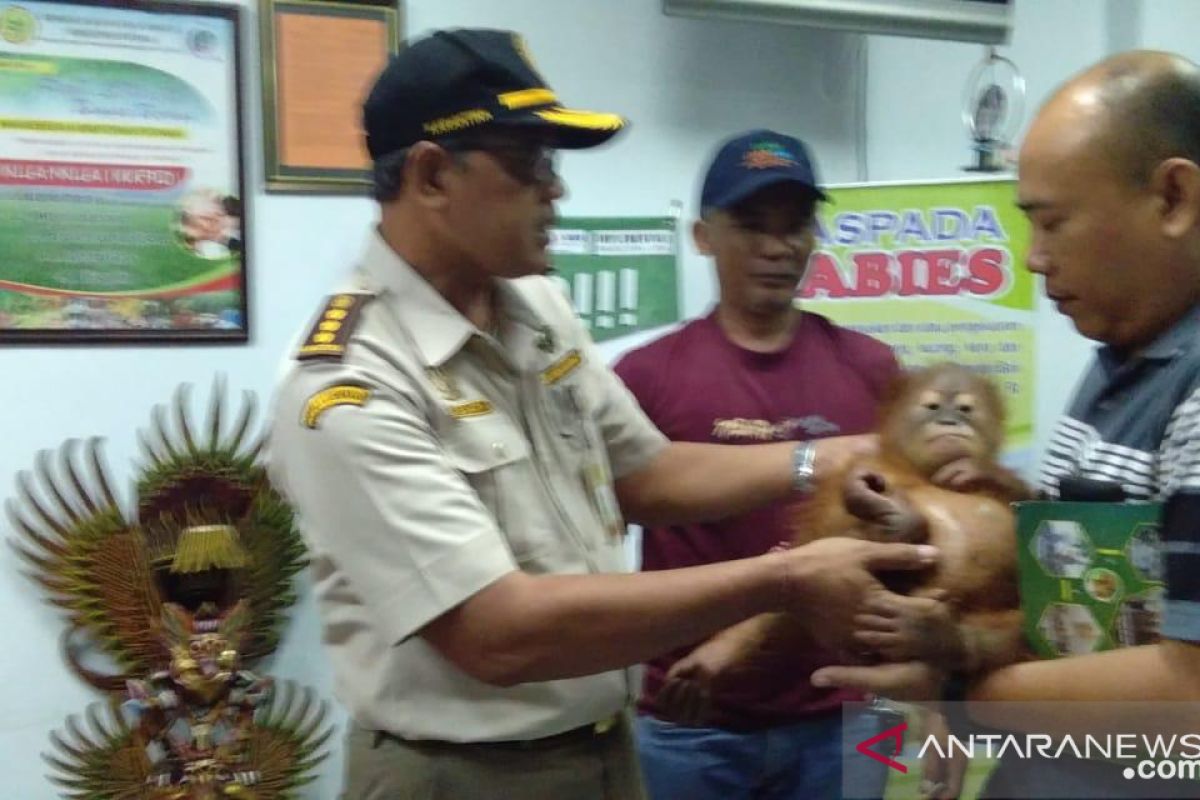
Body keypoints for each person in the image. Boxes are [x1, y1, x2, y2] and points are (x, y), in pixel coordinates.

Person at [267, 28, 938, 800]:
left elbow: (646, 472)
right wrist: (786, 579)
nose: (557, 191)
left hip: (602, 747)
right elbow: (499, 632)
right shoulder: (350, 382)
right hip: (465, 773)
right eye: (530, 166)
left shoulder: (534, 307)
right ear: (430, 176)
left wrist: (829, 459)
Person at [810, 50, 1200, 798]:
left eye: (1052, 224)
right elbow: (1069, 606)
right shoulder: (1123, 347)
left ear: (1173, 197)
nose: (1033, 259)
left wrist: (961, 686)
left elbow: (1185, 716)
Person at [613, 129, 901, 800]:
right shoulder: (645, 377)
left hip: (850, 711)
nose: (778, 247)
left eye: (796, 225)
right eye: (751, 225)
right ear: (702, 236)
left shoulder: (871, 367)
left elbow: (898, 536)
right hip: (690, 721)